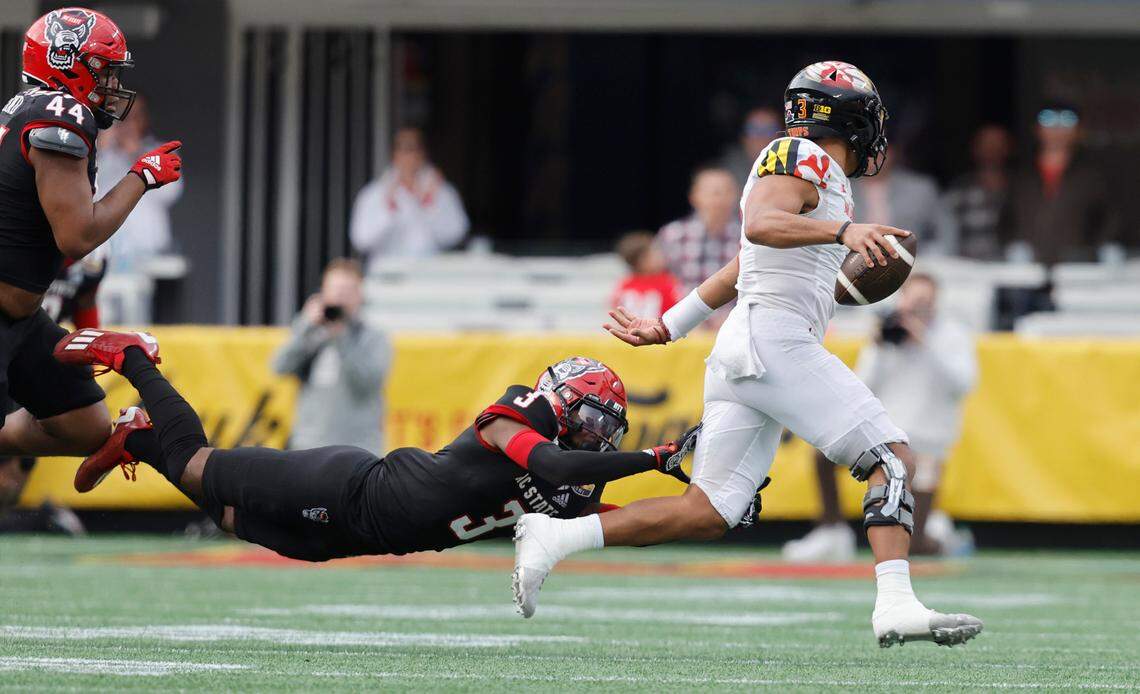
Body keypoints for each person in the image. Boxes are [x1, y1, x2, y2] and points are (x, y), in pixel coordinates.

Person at [513, 61, 983, 648]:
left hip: (751, 341)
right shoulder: (800, 156)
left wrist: (669, 325)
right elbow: (761, 226)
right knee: (892, 461)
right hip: (772, 339)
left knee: (706, 511)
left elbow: (743, 265)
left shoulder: (822, 177)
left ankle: (552, 536)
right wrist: (845, 234)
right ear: (850, 118)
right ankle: (895, 603)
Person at [53, 333, 696, 562]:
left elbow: (633, 527)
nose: (595, 437)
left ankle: (138, 436)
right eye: (591, 421)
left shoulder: (568, 495)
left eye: (604, 432)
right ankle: (135, 357)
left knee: (229, 518)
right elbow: (553, 460)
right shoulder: (522, 412)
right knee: (201, 466)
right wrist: (651, 457)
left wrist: (710, 506)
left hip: (369, 535)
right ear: (561, 398)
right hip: (352, 486)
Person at [0, 9, 181, 462]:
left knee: (85, 426)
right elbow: (77, 237)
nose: (111, 83)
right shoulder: (61, 115)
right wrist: (141, 176)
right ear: (65, 62)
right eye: (104, 69)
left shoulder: (31, 109)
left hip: (19, 316)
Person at [783, 274, 977, 561]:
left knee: (914, 546)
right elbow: (862, 385)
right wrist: (879, 346)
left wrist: (925, 341)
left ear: (936, 304)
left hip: (927, 444)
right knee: (823, 455)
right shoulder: (889, 333)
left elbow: (963, 384)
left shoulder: (951, 335)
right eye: (914, 301)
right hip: (886, 433)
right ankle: (833, 531)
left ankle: (942, 537)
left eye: (925, 302)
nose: (918, 309)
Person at [273, 259, 390, 455]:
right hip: (309, 446)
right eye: (334, 291)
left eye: (346, 291)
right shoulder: (311, 332)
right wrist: (305, 325)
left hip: (358, 449)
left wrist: (341, 337)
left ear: (360, 294)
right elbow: (280, 366)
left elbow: (368, 382)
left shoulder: (373, 337)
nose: (339, 298)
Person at [999, 103, 1120, 265]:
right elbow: (1005, 220)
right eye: (1048, 120)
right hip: (1028, 268)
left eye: (1067, 122)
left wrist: (1104, 248)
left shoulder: (1094, 177)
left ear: (1079, 131)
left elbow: (1110, 220)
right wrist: (1011, 245)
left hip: (1077, 267)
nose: (1057, 129)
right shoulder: (1021, 177)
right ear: (1036, 129)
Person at [349, 127, 469, 273]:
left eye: (414, 148)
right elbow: (361, 240)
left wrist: (428, 205)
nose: (409, 155)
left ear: (423, 153)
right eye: (403, 148)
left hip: (430, 276)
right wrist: (389, 209)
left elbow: (457, 234)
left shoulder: (443, 191)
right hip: (386, 277)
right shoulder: (373, 194)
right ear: (394, 154)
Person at [95, 95, 183, 275]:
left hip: (150, 257)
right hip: (104, 254)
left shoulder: (161, 151)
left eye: (136, 116)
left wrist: (135, 154)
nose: (128, 123)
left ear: (145, 119)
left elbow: (172, 193)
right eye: (123, 116)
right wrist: (101, 150)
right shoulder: (100, 152)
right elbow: (86, 190)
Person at [853, 145, 957, 256]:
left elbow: (946, 230)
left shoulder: (920, 187)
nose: (872, 156)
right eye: (866, 149)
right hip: (856, 263)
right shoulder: (840, 188)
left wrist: (932, 262)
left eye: (878, 149)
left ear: (892, 152)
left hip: (916, 263)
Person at [656, 166, 741, 293]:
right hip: (683, 309)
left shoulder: (747, 236)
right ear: (694, 196)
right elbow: (653, 279)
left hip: (734, 311)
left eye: (728, 191)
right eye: (714, 192)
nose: (721, 199)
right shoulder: (672, 235)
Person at [942, 125, 1014, 260]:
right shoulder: (959, 189)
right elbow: (946, 233)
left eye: (997, 144)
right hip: (967, 269)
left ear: (1008, 148)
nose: (992, 149)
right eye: (986, 144)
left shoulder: (1020, 190)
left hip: (1011, 269)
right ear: (975, 149)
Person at [610, 231, 681, 320]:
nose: (659, 255)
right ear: (642, 261)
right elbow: (678, 312)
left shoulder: (625, 284)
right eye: (654, 253)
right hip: (660, 332)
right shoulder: (666, 282)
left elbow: (615, 310)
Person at [718, 107, 783, 183]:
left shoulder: (793, 168)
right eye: (754, 130)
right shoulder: (726, 171)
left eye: (770, 130)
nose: (761, 137)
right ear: (744, 138)